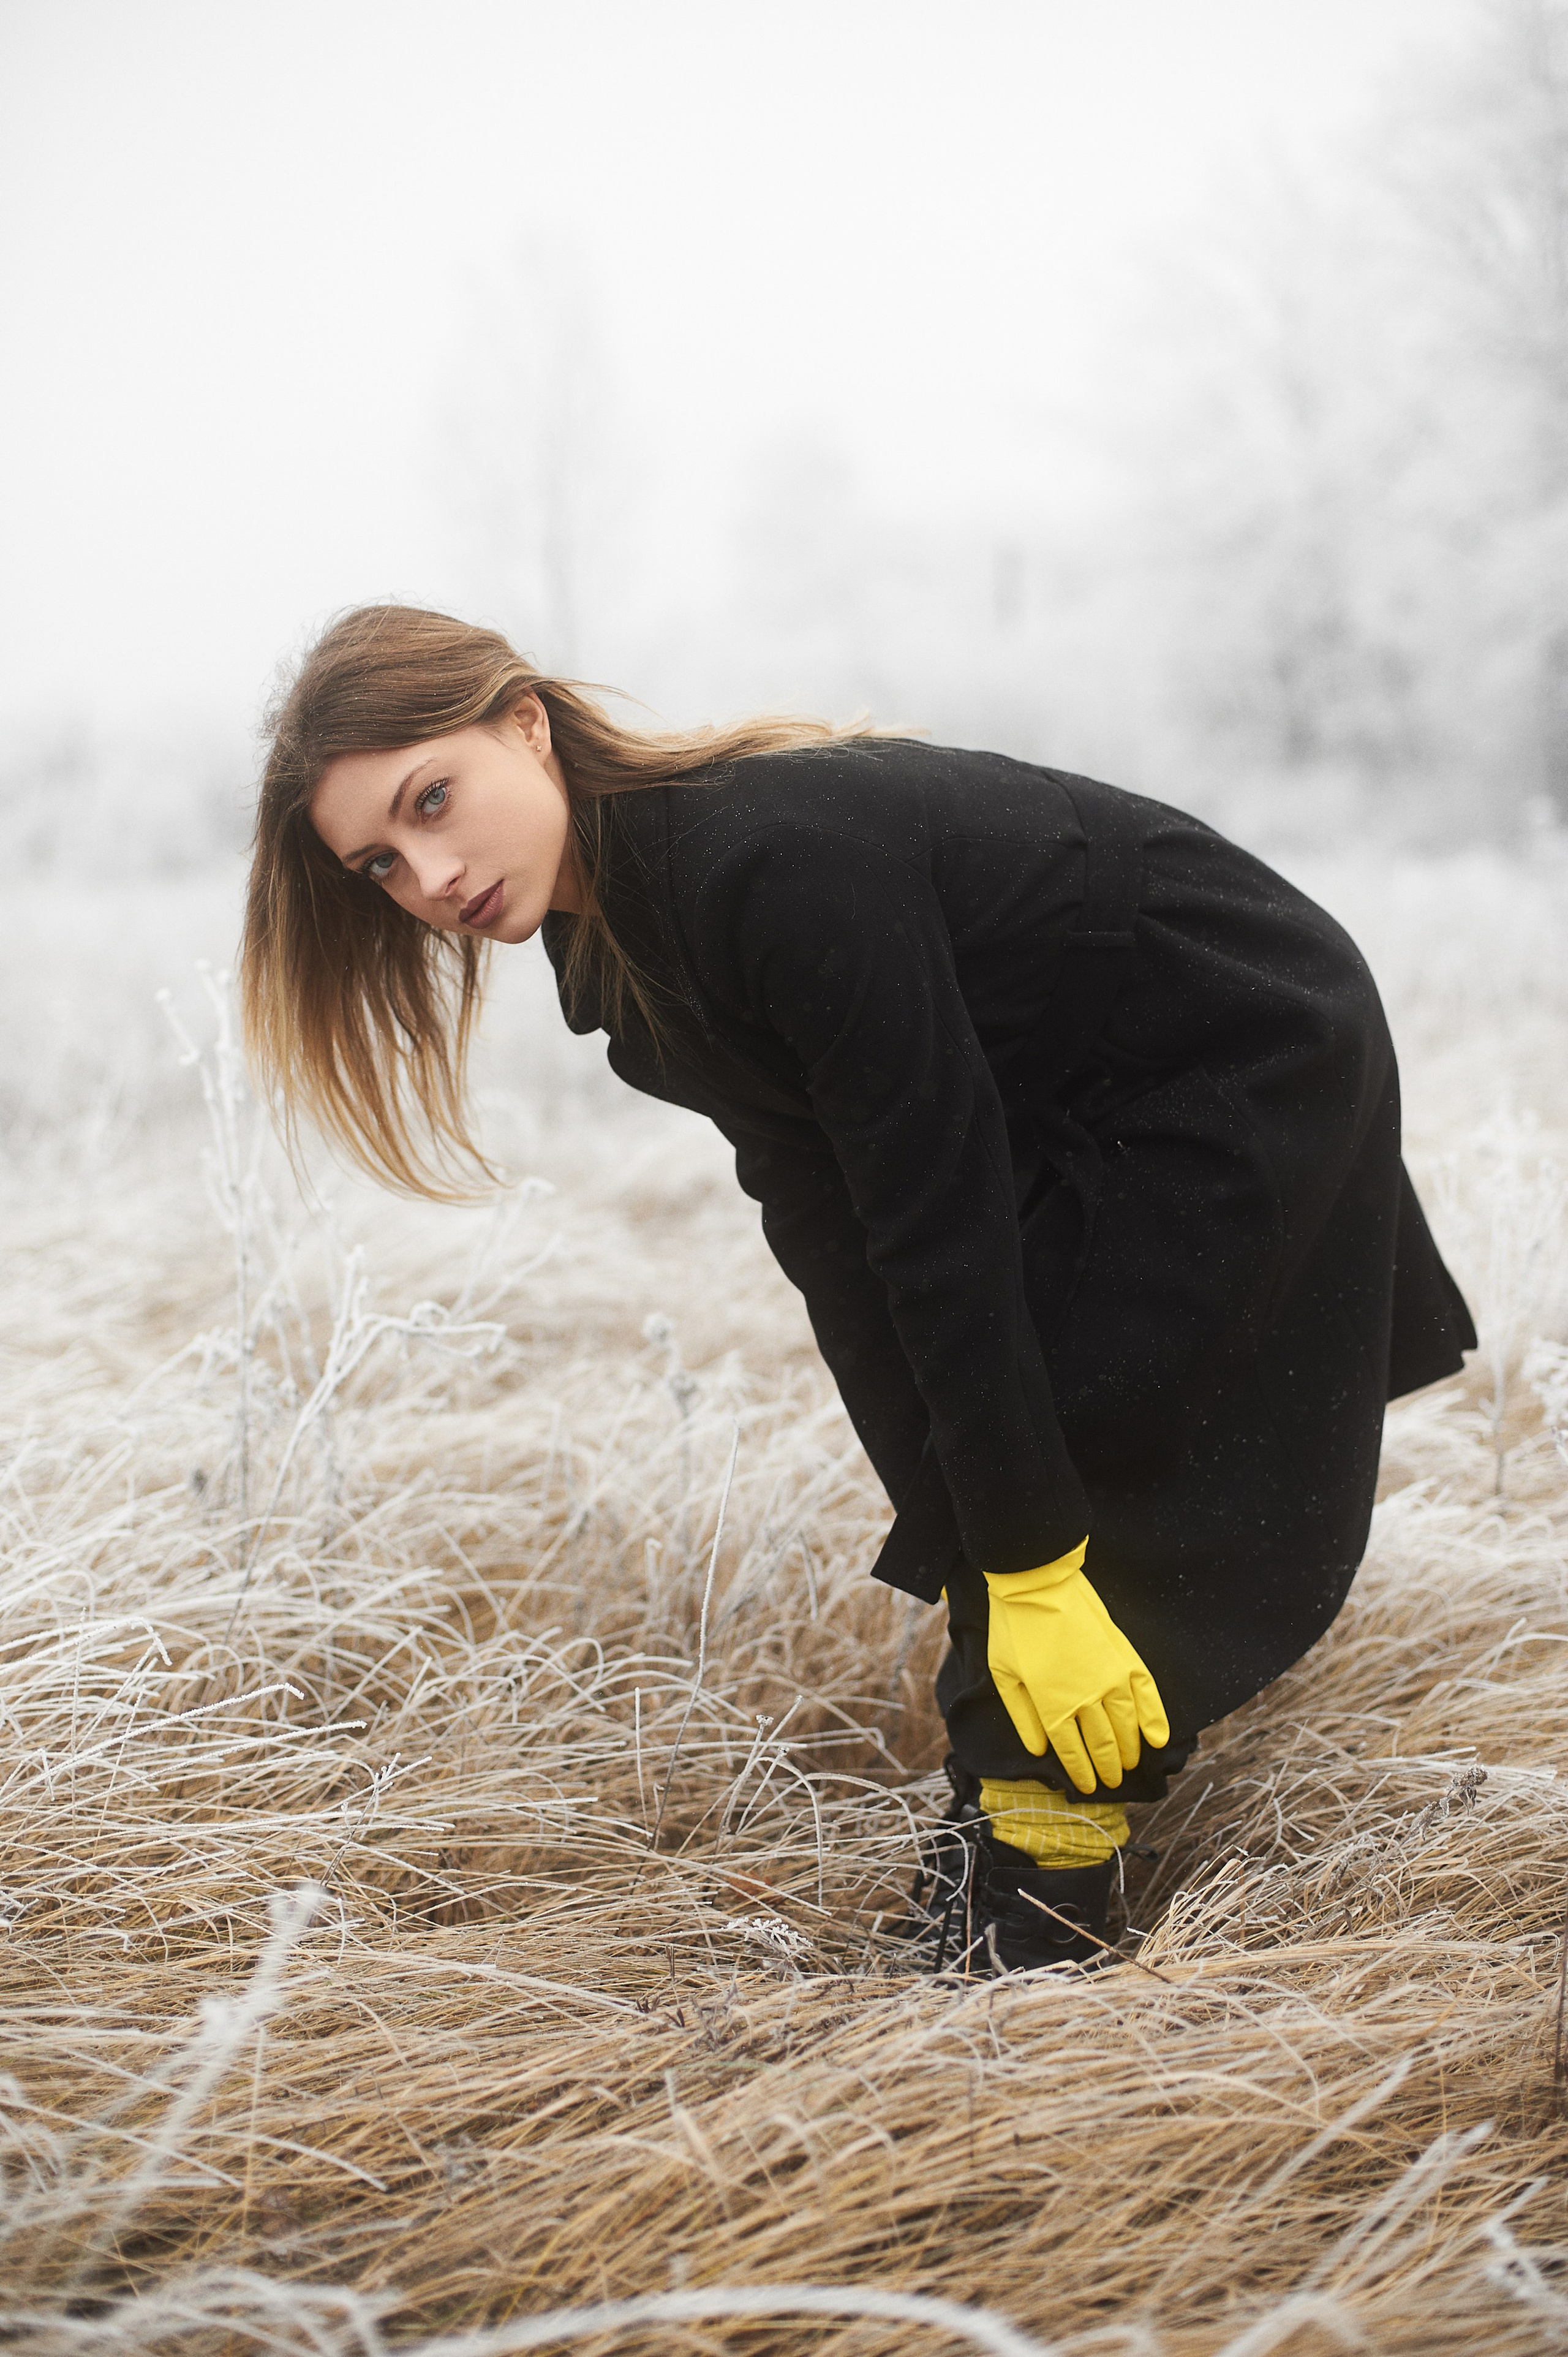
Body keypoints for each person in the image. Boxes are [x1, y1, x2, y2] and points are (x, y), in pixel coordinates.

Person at [242, 603, 1476, 1976]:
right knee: (1016, 1491)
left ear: (523, 724)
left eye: (433, 800)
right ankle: (1016, 1805)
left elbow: (934, 1217)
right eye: (380, 863)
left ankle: (1040, 1884)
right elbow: (836, 1242)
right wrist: (973, 1548)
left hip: (1234, 1041)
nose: (427, 874)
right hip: (1066, 1092)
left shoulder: (765, 861)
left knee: (1092, 1436)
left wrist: (1039, 1563)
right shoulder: (619, 958)